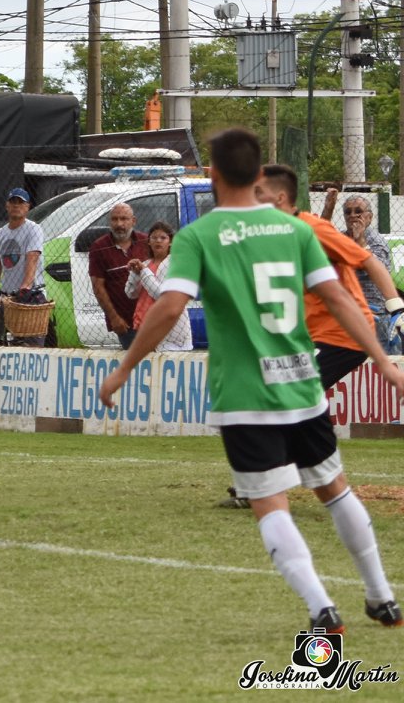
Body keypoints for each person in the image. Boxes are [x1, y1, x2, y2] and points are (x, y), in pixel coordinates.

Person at [100, 129, 403, 630]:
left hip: (244, 392)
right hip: (300, 383)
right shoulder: (295, 229)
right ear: (259, 174)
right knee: (335, 489)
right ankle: (381, 596)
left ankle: (321, 607)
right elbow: (340, 298)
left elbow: (169, 307)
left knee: (270, 503)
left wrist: (124, 367)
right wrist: (385, 361)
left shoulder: (199, 235)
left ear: (213, 174)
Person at [256, 164, 404, 392]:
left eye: (258, 192)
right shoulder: (273, 234)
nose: (251, 199)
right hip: (315, 333)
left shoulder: (312, 229)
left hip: (343, 336)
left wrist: (396, 309)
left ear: (280, 197)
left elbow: (370, 262)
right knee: (298, 397)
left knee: (291, 393)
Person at [339, 195, 400, 354]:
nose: (353, 215)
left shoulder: (376, 241)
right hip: (345, 312)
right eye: (348, 212)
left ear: (369, 217)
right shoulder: (340, 238)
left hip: (374, 312)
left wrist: (360, 241)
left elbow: (379, 269)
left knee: (380, 359)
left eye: (358, 211)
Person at [86, 202, 148, 348]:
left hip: (151, 318)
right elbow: (98, 286)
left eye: (124, 219)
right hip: (125, 323)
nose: (119, 224)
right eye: (115, 219)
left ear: (133, 221)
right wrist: (114, 318)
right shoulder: (99, 247)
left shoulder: (146, 242)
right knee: (135, 359)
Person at [123, 223, 190, 352]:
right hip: (144, 325)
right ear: (149, 242)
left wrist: (143, 271)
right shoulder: (146, 263)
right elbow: (130, 293)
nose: (158, 241)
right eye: (154, 237)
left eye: (163, 238)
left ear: (170, 242)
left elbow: (162, 295)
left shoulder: (175, 264)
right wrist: (134, 273)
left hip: (167, 329)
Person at [0, 187, 47, 308]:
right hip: (8, 297)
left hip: (30, 295)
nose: (16, 205)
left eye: (21, 202)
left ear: (28, 206)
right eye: (13, 202)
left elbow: (33, 257)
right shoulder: (0, 233)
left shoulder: (33, 229)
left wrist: (25, 288)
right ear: (7, 205)